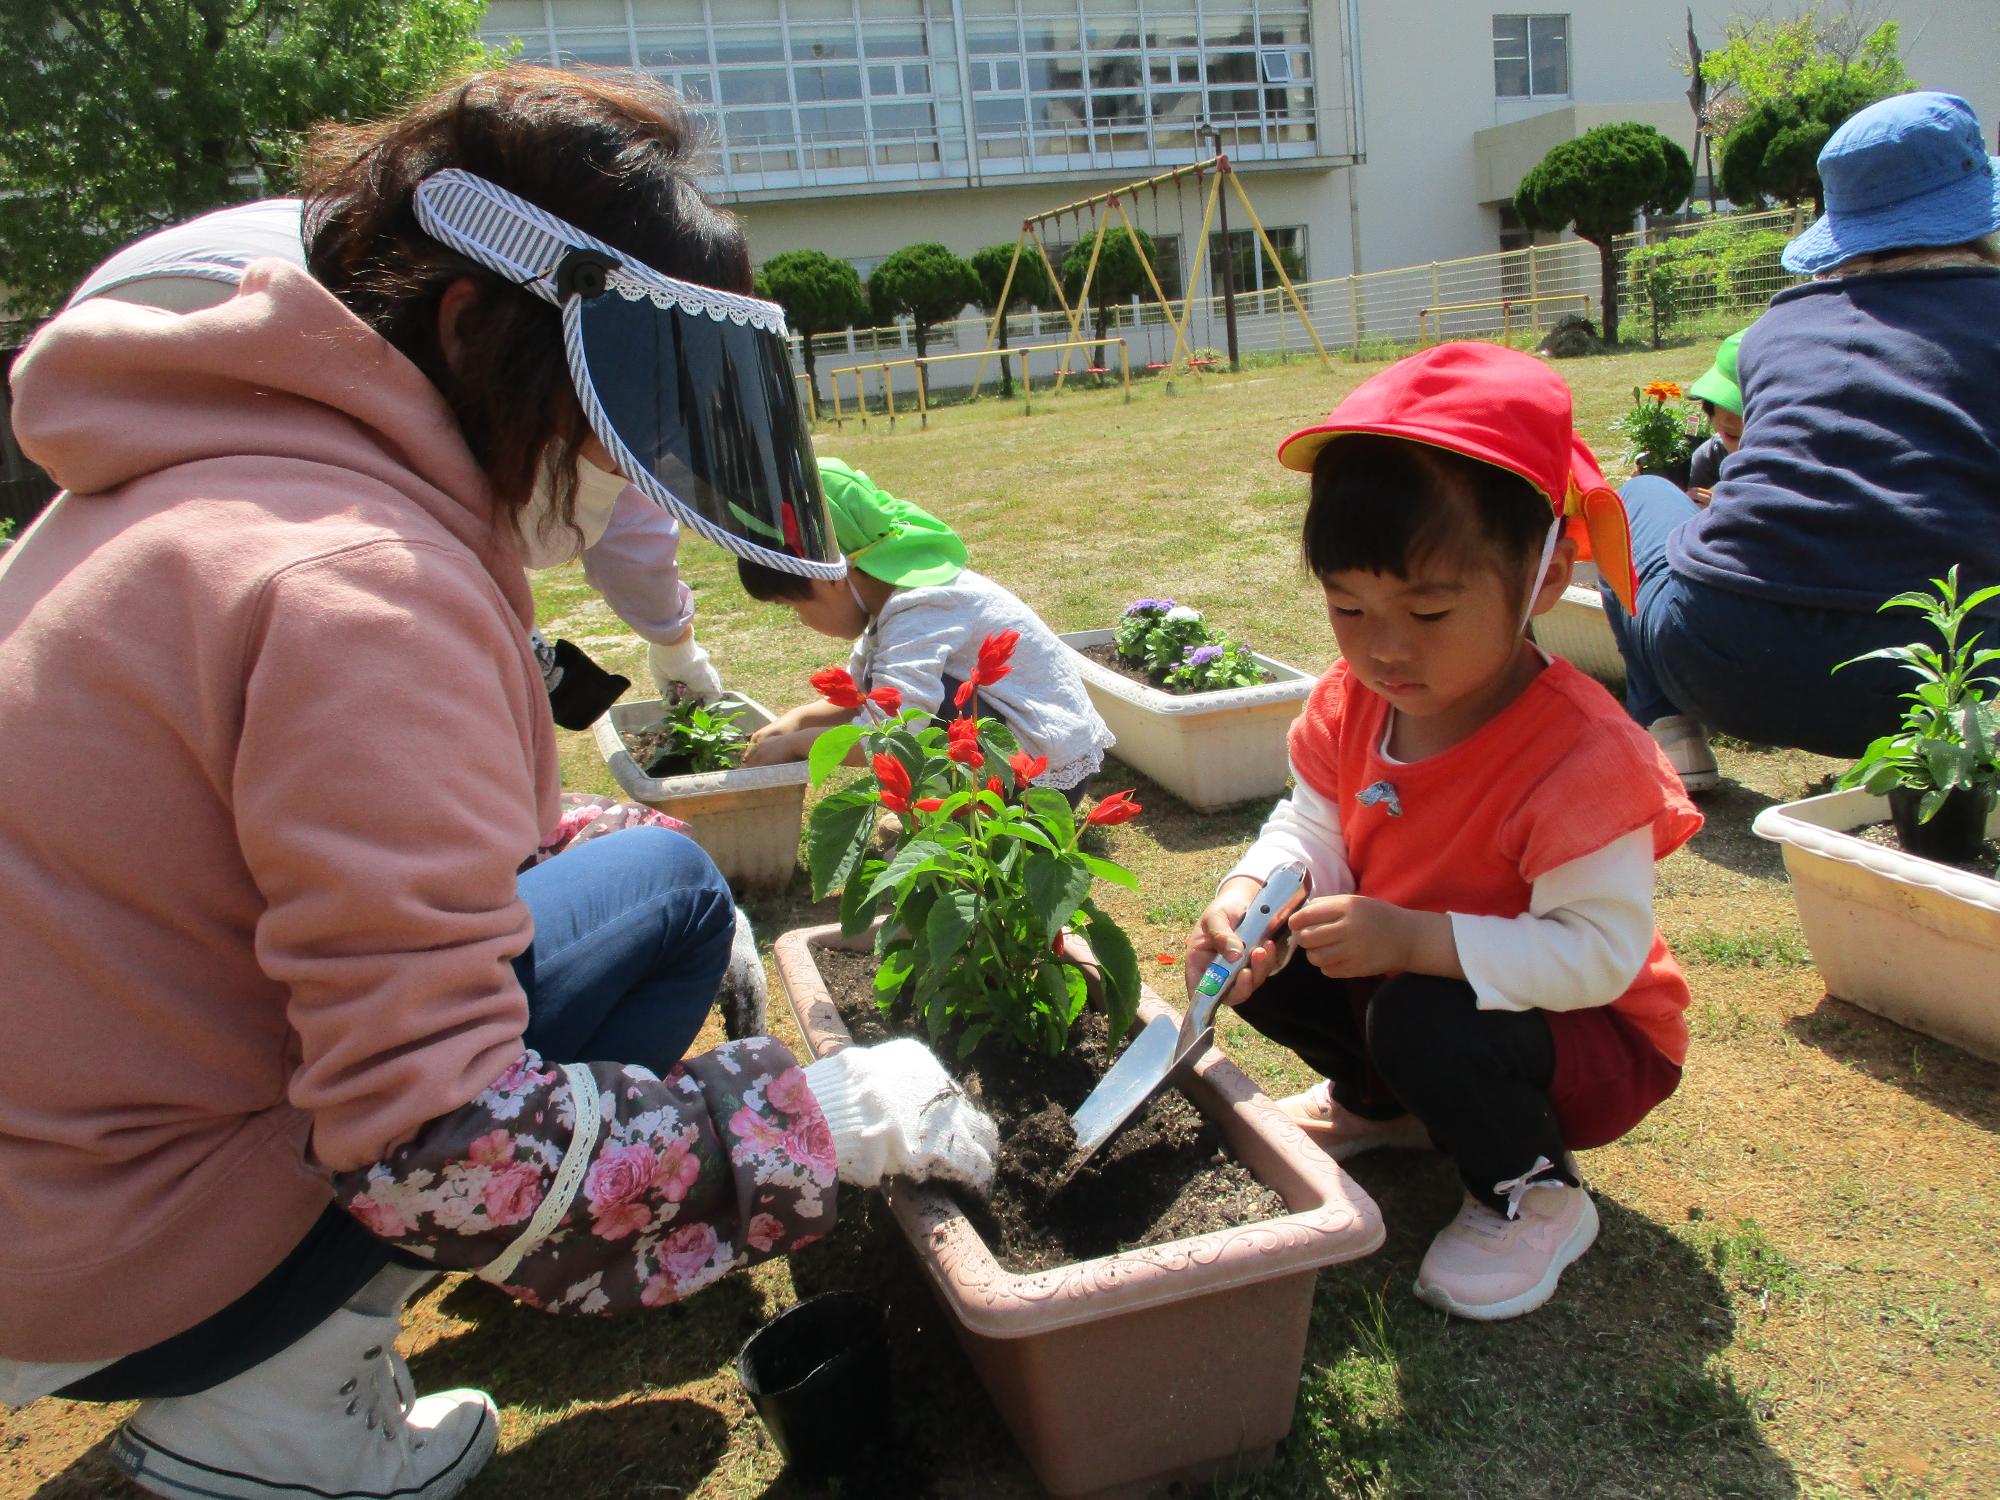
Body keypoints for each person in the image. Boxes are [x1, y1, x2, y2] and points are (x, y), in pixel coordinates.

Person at [0, 69, 996, 1500]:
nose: (631, 486)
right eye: (618, 424)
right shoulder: (364, 587)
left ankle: (256, 1373)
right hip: (106, 1260)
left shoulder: (201, 483)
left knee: (657, 877)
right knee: (654, 911)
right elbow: (438, 1150)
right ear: (473, 332)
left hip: (52, 1191)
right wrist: (810, 1123)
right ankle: (267, 1416)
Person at [1185, 342, 1701, 1322]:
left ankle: (1529, 1187)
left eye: (1426, 609)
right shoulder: (1356, 701)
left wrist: (1416, 941)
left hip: (1588, 1036)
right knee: (1266, 949)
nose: (1382, 646)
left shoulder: (1578, 757)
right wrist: (1257, 889)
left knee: (1420, 1016)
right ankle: (1383, 1103)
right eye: (1347, 606)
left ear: (1542, 576)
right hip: (1420, 983)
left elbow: (1597, 955)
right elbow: (1313, 819)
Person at [66, 195, 726, 719]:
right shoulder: (543, 357)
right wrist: (675, 644)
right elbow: (601, 516)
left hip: (110, 332)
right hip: (246, 314)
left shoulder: (476, 303)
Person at [1602, 91, 2000, 788]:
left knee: (1637, 493)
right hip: (1952, 684)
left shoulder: (1778, 329)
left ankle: (1669, 729)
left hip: (1728, 660)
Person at [737, 456, 1113, 799]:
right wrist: (795, 721)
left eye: (792, 607)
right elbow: (855, 694)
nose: (801, 621)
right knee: (883, 689)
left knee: (913, 712)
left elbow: (891, 736)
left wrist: (800, 744)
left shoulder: (920, 606)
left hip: (1040, 776)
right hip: (1028, 750)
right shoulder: (890, 601)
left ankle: (977, 826)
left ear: (829, 578)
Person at [1683, 327, 1748, 503]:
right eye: (1720, 402)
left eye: (1740, 406)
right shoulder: (1710, 456)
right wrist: (1692, 507)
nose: (1728, 419)